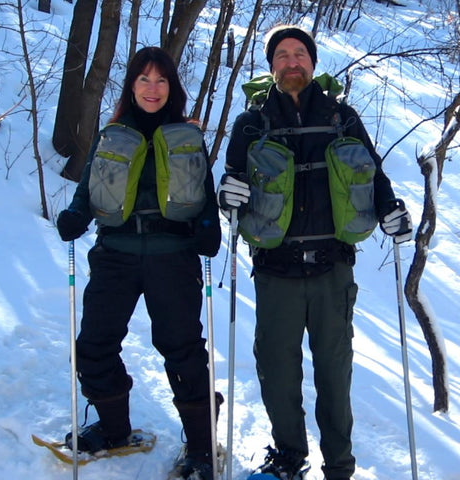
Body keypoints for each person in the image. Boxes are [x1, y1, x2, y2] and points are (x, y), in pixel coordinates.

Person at [217, 26, 412, 480]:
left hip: (332, 270)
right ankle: (288, 457)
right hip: (276, 271)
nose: (291, 62)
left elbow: (375, 175)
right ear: (271, 66)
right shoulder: (252, 123)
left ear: (312, 62)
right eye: (282, 55)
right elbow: (232, 180)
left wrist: (391, 211)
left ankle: (339, 467)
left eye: (299, 54)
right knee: (278, 373)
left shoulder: (343, 118)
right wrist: (228, 194)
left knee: (334, 375)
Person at [57, 46, 223, 480]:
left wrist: (209, 226)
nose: (153, 88)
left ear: (173, 87)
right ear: (132, 85)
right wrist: (76, 214)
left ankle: (202, 447)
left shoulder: (188, 136)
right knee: (93, 344)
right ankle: (114, 429)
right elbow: (88, 187)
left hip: (174, 256)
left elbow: (204, 193)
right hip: (116, 254)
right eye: (145, 79)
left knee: (182, 350)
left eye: (162, 80)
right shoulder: (112, 134)